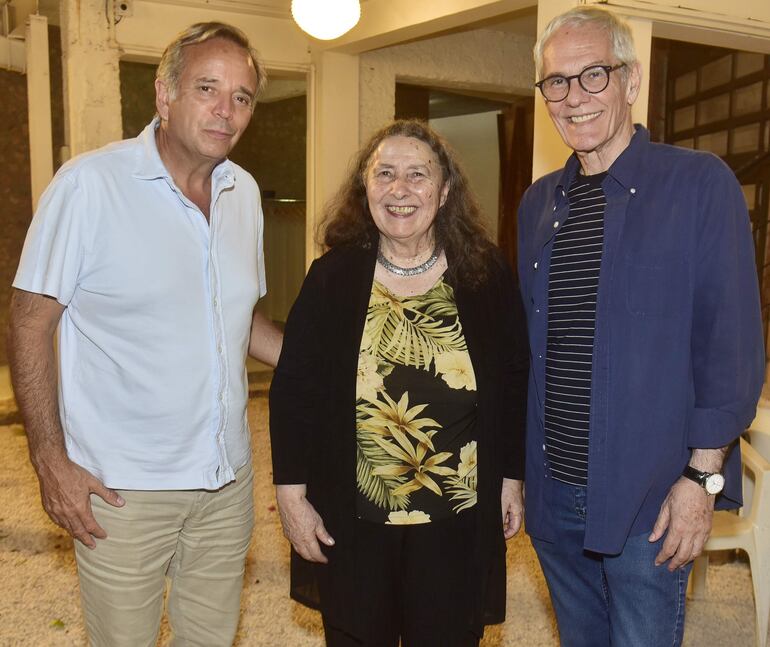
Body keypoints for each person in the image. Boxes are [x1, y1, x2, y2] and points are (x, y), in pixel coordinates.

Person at [8, 22, 282, 647]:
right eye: (208, 88)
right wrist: (50, 462)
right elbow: (28, 322)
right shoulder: (88, 186)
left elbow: (235, 319)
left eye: (241, 96)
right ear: (164, 95)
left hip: (227, 480)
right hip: (123, 489)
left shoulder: (242, 194)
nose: (225, 109)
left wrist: (325, 362)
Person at [517, 7, 765, 646]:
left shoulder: (699, 184)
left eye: (592, 75)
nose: (574, 98)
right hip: (554, 492)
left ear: (631, 81)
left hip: (649, 497)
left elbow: (730, 348)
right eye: (557, 82)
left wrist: (701, 480)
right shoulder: (538, 203)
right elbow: (530, 347)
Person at [269, 119, 529, 647]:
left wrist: (511, 479)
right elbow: (294, 390)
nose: (400, 189)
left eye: (417, 174)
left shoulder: (484, 274)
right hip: (355, 513)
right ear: (365, 188)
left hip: (457, 514)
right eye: (384, 173)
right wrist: (291, 496)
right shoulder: (331, 278)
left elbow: (512, 378)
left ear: (445, 189)